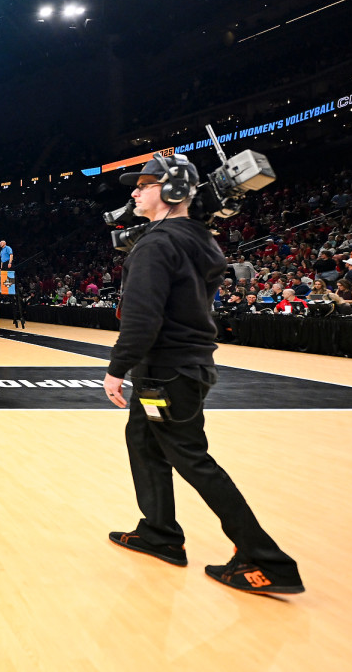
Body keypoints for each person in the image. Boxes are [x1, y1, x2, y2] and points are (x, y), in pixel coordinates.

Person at [103, 155, 303, 595]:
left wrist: (116, 369)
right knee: (143, 440)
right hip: (182, 368)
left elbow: (141, 320)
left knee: (191, 457)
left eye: (143, 184)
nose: (134, 193)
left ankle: (267, 560)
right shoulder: (200, 239)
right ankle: (159, 533)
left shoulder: (154, 245)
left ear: (172, 191)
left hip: (165, 372)